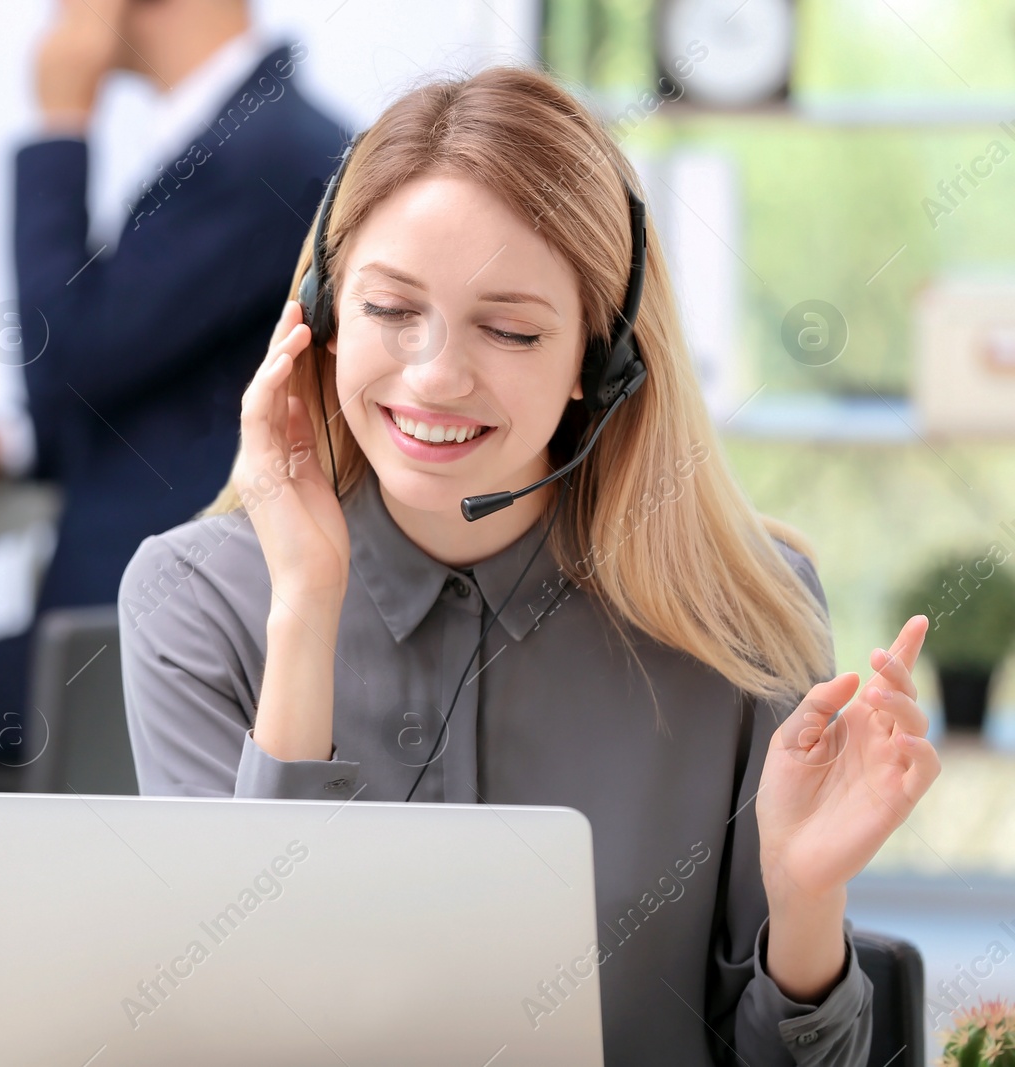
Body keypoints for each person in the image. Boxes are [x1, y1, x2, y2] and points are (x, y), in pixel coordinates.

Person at [118, 66, 940, 1066]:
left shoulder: (742, 611)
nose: (434, 375)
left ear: (602, 364)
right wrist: (304, 607)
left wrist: (805, 898)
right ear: (323, 315)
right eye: (389, 310)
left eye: (509, 329)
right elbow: (236, 1035)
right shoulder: (195, 600)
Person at [0, 0, 345, 758]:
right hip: (163, 616)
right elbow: (159, 383)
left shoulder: (259, 155)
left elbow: (64, 362)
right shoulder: (260, 133)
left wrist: (59, 124)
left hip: (152, 643)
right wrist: (13, 443)